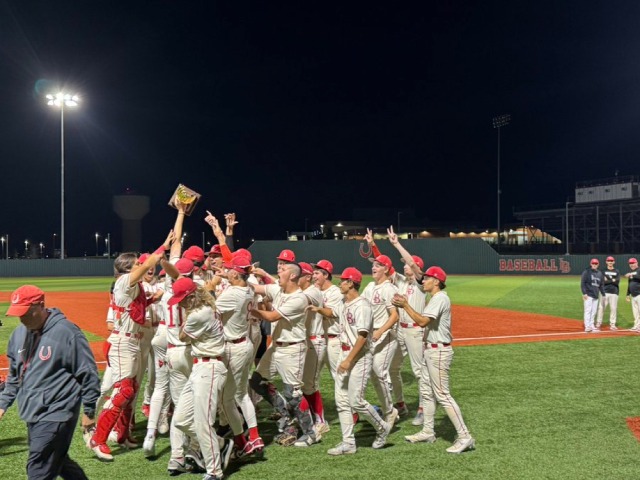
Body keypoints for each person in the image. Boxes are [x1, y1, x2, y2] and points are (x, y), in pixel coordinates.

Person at [89, 230, 174, 461]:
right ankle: (98, 438)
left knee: (132, 389)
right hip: (122, 341)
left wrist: (153, 299)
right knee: (123, 390)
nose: (141, 266)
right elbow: (148, 264)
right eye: (136, 263)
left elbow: (136, 306)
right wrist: (163, 246)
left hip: (133, 340)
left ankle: (122, 434)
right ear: (127, 268)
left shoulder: (132, 285)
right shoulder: (124, 281)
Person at [0, 285, 100, 479]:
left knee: (38, 469)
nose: (21, 318)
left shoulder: (67, 333)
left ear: (40, 306)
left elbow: (88, 373)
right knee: (58, 461)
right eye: (18, 313)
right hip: (33, 411)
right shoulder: (18, 335)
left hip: (58, 412)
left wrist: (89, 411)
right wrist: (2, 404)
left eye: (25, 313)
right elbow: (14, 375)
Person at [309, 267, 392, 455]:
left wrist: (348, 360)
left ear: (351, 283)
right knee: (342, 401)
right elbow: (333, 313)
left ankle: (382, 427)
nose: (340, 283)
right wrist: (318, 309)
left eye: (343, 281)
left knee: (357, 401)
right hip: (345, 354)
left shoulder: (362, 306)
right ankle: (348, 443)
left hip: (360, 356)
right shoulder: (344, 302)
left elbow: (362, 336)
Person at [393, 266, 475, 454]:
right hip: (430, 350)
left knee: (442, 394)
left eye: (427, 278)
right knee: (427, 392)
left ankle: (465, 436)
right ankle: (428, 431)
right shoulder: (434, 298)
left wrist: (405, 305)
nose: (424, 280)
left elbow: (422, 322)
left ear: (437, 281)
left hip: (439, 352)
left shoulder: (440, 298)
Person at [169, 277, 232, 480]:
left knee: (203, 423)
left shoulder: (199, 314)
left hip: (210, 367)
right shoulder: (205, 307)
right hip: (200, 367)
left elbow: (181, 336)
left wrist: (186, 320)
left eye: (182, 299)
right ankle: (221, 444)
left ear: (192, 296)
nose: (180, 304)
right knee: (181, 420)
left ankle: (214, 472)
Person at [362, 253, 400, 426]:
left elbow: (395, 315)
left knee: (379, 371)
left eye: (377, 265)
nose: (373, 267)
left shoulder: (389, 289)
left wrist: (380, 331)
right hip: (371, 335)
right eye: (373, 265)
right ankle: (389, 410)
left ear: (386, 269)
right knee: (374, 373)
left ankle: (390, 411)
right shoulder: (370, 286)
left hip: (386, 336)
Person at [595, 256, 620, 331]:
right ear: (606, 262)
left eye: (611, 261)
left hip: (614, 292)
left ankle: (612, 324)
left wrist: (608, 279)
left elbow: (617, 282)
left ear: (614, 262)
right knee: (601, 308)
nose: (610, 262)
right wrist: (612, 280)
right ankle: (598, 322)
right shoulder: (603, 271)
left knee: (613, 309)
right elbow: (602, 282)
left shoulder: (617, 271)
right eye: (609, 261)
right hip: (604, 292)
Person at [581, 258, 605, 333]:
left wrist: (603, 294)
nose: (594, 265)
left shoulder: (600, 273)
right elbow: (583, 283)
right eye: (593, 263)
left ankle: (592, 325)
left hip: (596, 295)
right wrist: (584, 293)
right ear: (591, 264)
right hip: (588, 295)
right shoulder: (586, 272)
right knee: (588, 311)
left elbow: (601, 285)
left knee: (594, 311)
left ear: (598, 264)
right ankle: (587, 326)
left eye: (596, 263)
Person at [626, 258, 640, 332]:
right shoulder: (631, 272)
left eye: (633, 263)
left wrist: (632, 275)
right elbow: (629, 284)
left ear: (637, 263)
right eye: (630, 263)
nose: (631, 264)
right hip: (633, 295)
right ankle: (636, 326)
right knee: (635, 312)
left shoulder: (639, 270)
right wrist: (628, 294)